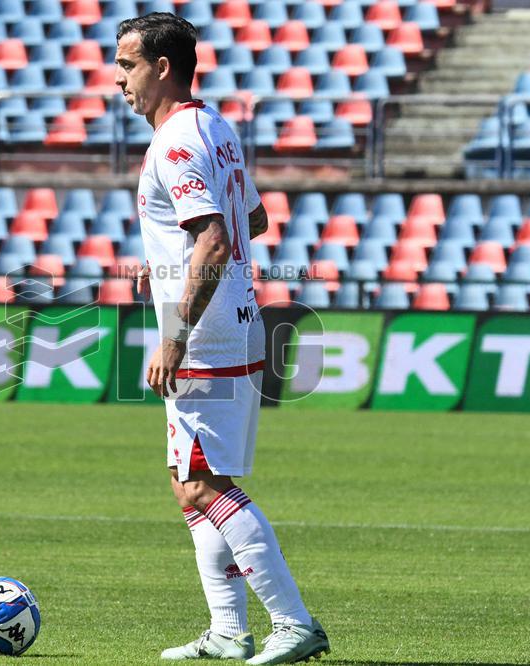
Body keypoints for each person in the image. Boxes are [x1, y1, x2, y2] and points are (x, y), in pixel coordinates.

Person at [114, 13, 331, 664]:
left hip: (205, 337)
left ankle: (293, 622)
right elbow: (251, 218)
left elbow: (213, 239)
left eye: (126, 65)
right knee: (193, 485)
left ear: (162, 68)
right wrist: (164, 264)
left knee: (205, 486)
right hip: (234, 323)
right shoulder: (215, 126)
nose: (118, 80)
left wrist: (175, 333)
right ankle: (229, 631)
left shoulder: (175, 141)